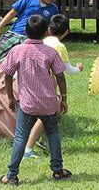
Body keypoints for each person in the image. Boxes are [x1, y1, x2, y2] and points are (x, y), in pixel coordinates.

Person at [0, 15, 72, 185]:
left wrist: (9, 97)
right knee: (53, 133)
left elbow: (7, 75)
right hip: (49, 103)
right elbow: (60, 76)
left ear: (25, 31)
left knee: (20, 137)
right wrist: (64, 99)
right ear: (46, 32)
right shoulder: (50, 52)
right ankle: (58, 170)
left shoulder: (16, 51)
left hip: (28, 104)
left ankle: (11, 175)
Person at [24, 14, 83, 159]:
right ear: (66, 32)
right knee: (50, 112)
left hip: (29, 83)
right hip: (45, 84)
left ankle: (35, 139)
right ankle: (29, 147)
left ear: (48, 29)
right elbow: (66, 71)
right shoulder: (59, 46)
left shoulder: (41, 41)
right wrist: (79, 69)